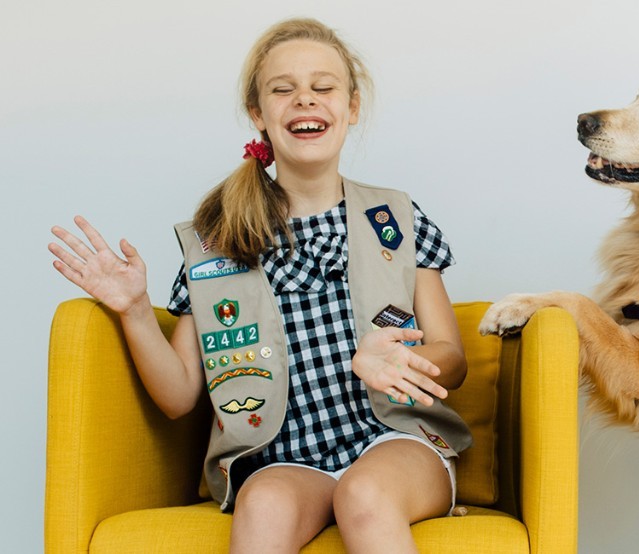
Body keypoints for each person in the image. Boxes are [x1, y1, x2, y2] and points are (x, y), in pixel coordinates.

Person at [48, 17, 470, 553]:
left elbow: (452, 360)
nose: (305, 100)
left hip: (396, 443)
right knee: (264, 505)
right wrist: (133, 309)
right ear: (259, 113)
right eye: (283, 89)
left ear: (352, 107)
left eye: (323, 87)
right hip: (285, 458)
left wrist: (403, 365)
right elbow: (179, 397)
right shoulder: (217, 241)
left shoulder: (396, 219)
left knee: (364, 495)